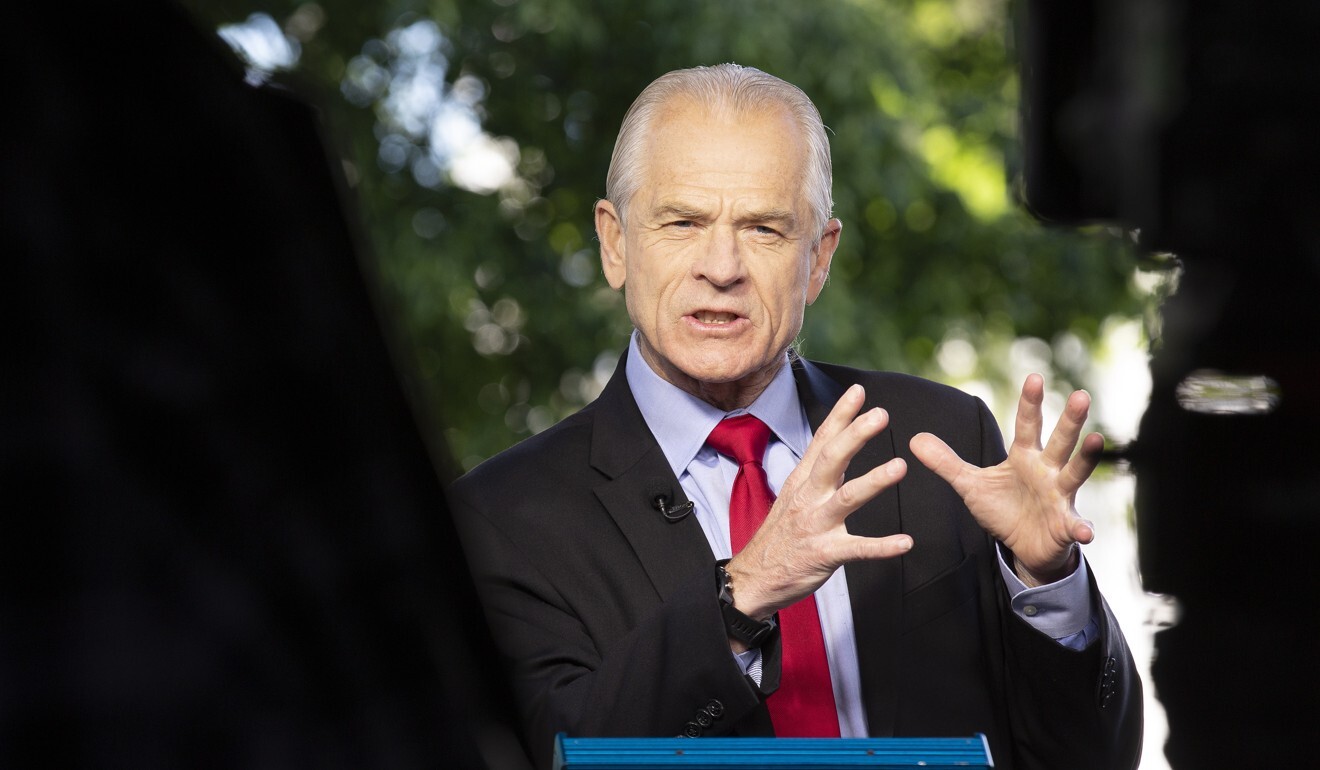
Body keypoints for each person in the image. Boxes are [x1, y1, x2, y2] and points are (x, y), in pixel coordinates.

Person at [449, 64, 1142, 770]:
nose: (721, 266)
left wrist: (1047, 582)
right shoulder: (501, 520)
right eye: (683, 222)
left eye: (764, 229)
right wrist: (739, 599)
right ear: (616, 242)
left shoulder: (944, 440)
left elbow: (1089, 757)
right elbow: (550, 752)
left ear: (818, 258)